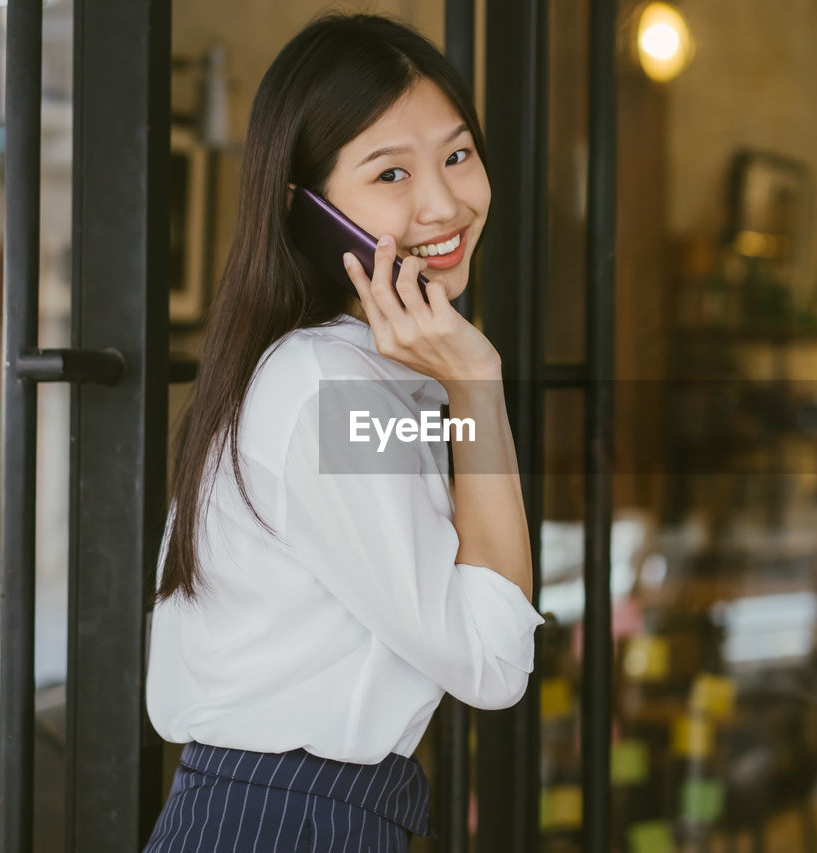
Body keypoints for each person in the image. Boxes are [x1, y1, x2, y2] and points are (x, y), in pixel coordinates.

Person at [141, 12, 544, 852]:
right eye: (390, 172)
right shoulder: (331, 386)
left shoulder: (335, 373)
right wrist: (476, 384)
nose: (443, 202)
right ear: (311, 210)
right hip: (289, 821)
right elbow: (495, 659)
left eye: (458, 154)